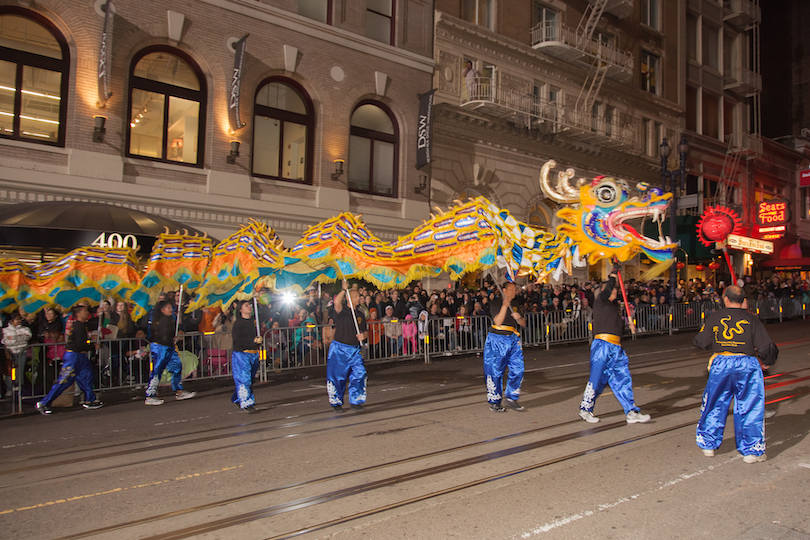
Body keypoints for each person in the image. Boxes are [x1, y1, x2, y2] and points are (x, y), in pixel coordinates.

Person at [693, 285, 778, 463]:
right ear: (744, 300)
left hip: (721, 364)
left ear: (725, 298)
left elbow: (701, 342)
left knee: (715, 402)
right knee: (750, 405)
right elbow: (766, 347)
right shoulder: (751, 319)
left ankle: (708, 444)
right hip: (746, 364)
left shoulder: (715, 317)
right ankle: (751, 450)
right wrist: (767, 361)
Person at [579, 262, 651, 424]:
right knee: (597, 378)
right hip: (602, 346)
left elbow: (617, 329)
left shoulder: (613, 307)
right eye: (613, 288)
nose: (616, 290)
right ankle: (586, 408)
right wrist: (613, 274)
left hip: (616, 347)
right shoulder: (600, 301)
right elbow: (605, 290)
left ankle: (631, 411)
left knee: (623, 378)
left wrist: (628, 327)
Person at [36, 306, 103, 414]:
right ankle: (43, 403)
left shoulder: (81, 325)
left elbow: (93, 324)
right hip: (74, 357)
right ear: (79, 314)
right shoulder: (78, 327)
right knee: (64, 381)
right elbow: (80, 344)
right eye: (85, 311)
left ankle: (89, 400)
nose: (87, 313)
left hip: (80, 356)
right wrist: (92, 346)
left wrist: (99, 315)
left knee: (87, 376)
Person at [484, 282, 527, 413]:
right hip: (498, 338)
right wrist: (504, 306)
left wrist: (519, 318)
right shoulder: (496, 303)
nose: (515, 292)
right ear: (504, 290)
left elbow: (523, 323)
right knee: (495, 370)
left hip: (513, 338)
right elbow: (497, 321)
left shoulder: (516, 304)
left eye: (515, 289)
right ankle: (495, 401)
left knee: (518, 368)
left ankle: (512, 397)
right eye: (512, 289)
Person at [326, 280, 368, 412]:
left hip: (355, 349)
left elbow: (365, 330)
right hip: (340, 349)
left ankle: (356, 400)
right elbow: (337, 302)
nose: (359, 298)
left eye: (359, 296)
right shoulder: (341, 311)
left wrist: (364, 336)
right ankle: (336, 402)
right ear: (349, 297)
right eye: (356, 296)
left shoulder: (360, 314)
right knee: (338, 376)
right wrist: (344, 290)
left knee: (360, 373)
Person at [145, 300, 196, 405]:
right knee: (157, 370)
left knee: (177, 366)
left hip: (169, 347)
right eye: (168, 308)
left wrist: (174, 337)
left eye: (170, 307)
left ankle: (179, 390)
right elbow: (161, 335)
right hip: (160, 347)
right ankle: (150, 395)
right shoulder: (160, 320)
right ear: (162, 310)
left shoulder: (170, 319)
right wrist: (171, 338)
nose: (170, 309)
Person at [231, 301, 263, 413]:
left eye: (249, 305)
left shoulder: (255, 321)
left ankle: (237, 397)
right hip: (242, 354)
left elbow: (266, 313)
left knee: (250, 379)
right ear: (240, 310)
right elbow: (237, 340)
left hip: (254, 354)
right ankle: (246, 403)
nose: (249, 307)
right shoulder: (238, 323)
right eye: (246, 306)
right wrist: (252, 341)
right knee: (244, 378)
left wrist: (259, 300)